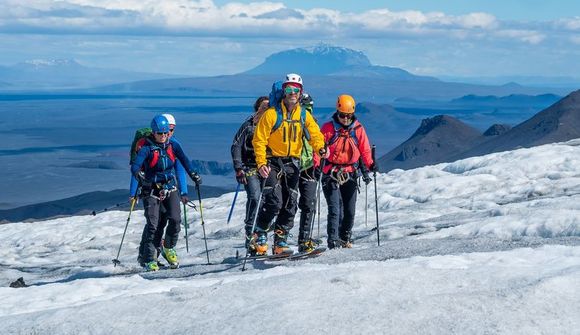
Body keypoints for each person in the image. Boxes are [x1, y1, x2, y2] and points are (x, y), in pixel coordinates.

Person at [251, 73, 328, 255]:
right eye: (289, 89)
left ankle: (280, 241)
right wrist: (261, 163)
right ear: (283, 92)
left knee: (290, 203)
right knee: (274, 201)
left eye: (296, 90)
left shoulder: (303, 114)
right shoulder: (271, 114)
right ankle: (260, 231)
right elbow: (259, 140)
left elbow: (315, 133)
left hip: (293, 163)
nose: (292, 93)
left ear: (300, 93)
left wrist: (321, 148)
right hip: (272, 162)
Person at [130, 115, 202, 271]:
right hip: (151, 191)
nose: (163, 136)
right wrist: (139, 175)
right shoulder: (146, 149)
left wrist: (193, 174)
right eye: (160, 133)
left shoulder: (173, 145)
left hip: (170, 187)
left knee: (175, 220)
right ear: (153, 133)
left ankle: (168, 247)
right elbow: (135, 166)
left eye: (166, 132)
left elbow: (184, 161)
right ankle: (149, 258)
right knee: (153, 225)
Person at [320, 95, 375, 249]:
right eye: (342, 115)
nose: (345, 119)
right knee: (335, 209)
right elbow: (318, 149)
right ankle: (333, 240)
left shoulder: (358, 129)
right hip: (331, 173)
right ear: (337, 112)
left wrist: (371, 165)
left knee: (349, 211)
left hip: (350, 173)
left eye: (348, 115)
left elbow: (364, 150)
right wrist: (317, 166)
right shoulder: (328, 129)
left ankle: (345, 238)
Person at [230, 96, 269, 252]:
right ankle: (250, 232)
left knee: (268, 200)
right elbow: (236, 146)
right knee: (255, 196)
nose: (266, 109)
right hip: (250, 168)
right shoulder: (247, 126)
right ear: (257, 108)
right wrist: (239, 168)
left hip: (267, 167)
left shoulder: (272, 126)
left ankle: (261, 233)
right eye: (263, 107)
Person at [296, 93, 321, 252]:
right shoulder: (290, 123)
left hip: (308, 167)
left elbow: (318, 144)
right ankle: (299, 241)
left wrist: (317, 163)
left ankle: (304, 240)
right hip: (293, 166)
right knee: (293, 205)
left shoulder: (313, 125)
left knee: (308, 204)